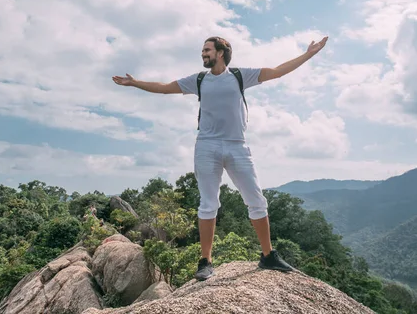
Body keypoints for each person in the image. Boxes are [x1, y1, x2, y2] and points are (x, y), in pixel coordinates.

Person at [112, 35, 328, 281]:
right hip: (206, 146)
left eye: (207, 50)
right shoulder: (199, 80)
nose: (203, 54)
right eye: (203, 50)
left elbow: (277, 72)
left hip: (238, 146)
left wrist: (308, 54)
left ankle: (268, 256)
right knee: (208, 203)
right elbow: (164, 88)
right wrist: (135, 83)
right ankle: (205, 261)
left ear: (221, 53)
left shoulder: (239, 76)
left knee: (257, 200)